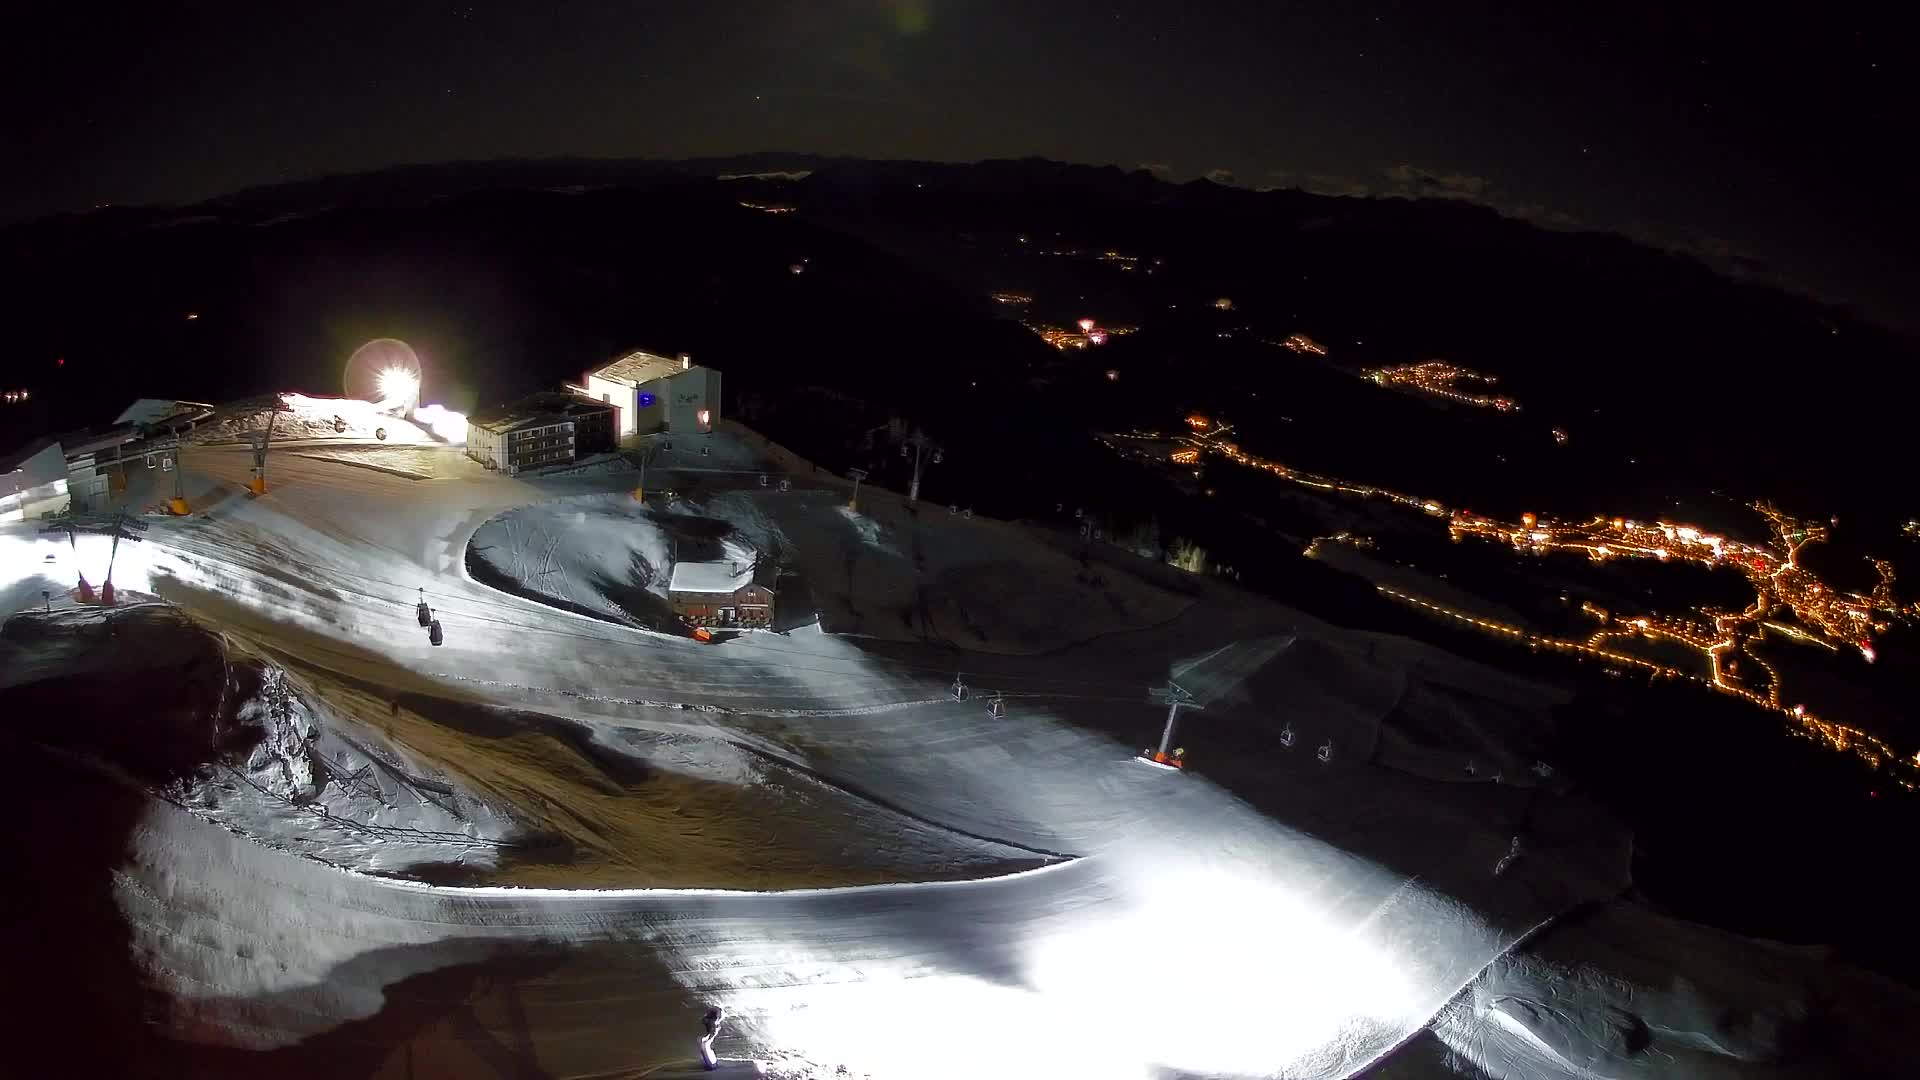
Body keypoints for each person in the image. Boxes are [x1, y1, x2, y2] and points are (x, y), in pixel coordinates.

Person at [698, 1005, 726, 1070]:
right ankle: (705, 1044)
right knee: (709, 1040)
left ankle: (706, 1045)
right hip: (711, 1028)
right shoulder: (712, 1023)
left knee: (709, 1039)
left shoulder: (708, 1020)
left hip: (710, 1025)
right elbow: (712, 1032)